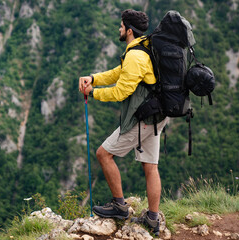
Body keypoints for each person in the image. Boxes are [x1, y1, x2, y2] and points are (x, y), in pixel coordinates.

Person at [78, 9, 168, 236]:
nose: (118, 29)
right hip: (157, 114)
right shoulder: (143, 47)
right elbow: (120, 72)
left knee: (103, 154)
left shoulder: (136, 56)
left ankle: (119, 205)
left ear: (129, 30)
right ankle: (153, 219)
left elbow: (121, 92)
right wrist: (95, 78)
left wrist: (93, 92)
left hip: (143, 118)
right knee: (150, 166)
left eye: (121, 26)